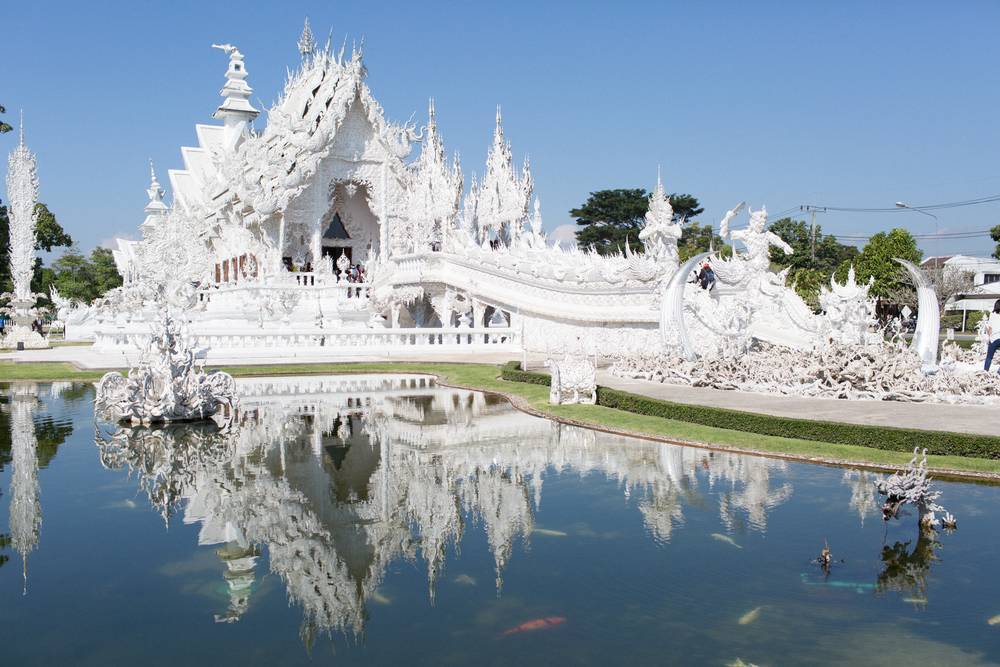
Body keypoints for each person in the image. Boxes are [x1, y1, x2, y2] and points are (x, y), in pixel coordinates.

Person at [985, 300, 1000, 372]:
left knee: (989, 357)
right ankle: (999, 372)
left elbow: (990, 329)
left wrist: (989, 337)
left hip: (994, 338)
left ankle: (985, 371)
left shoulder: (992, 315)